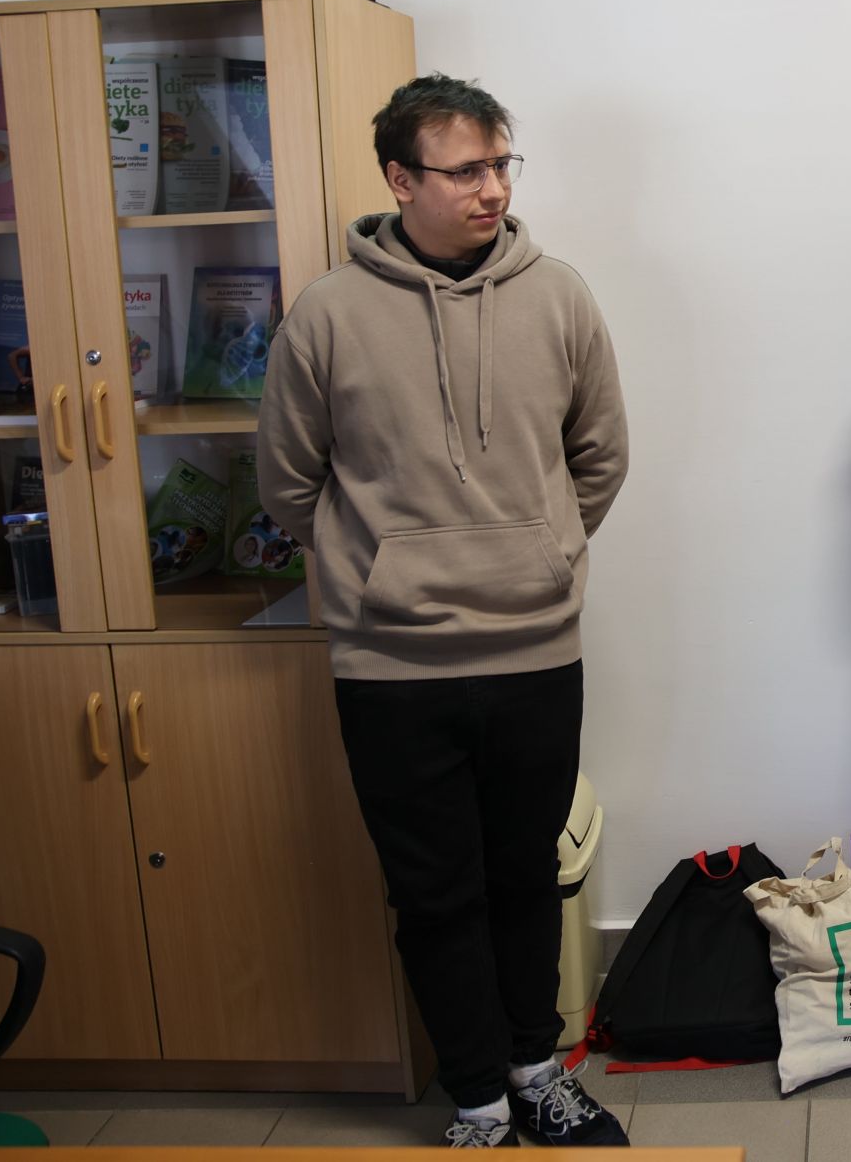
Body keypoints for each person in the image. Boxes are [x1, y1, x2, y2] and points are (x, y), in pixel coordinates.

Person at [258, 74, 631, 1146]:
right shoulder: (328, 313)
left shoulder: (559, 296)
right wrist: (379, 567)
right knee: (433, 894)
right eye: (465, 170)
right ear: (399, 178)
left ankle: (535, 1070)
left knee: (525, 878)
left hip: (534, 651)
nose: (492, 189)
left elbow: (599, 456)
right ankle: (476, 1099)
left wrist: (540, 553)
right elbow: (287, 480)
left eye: (501, 164)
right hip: (391, 668)